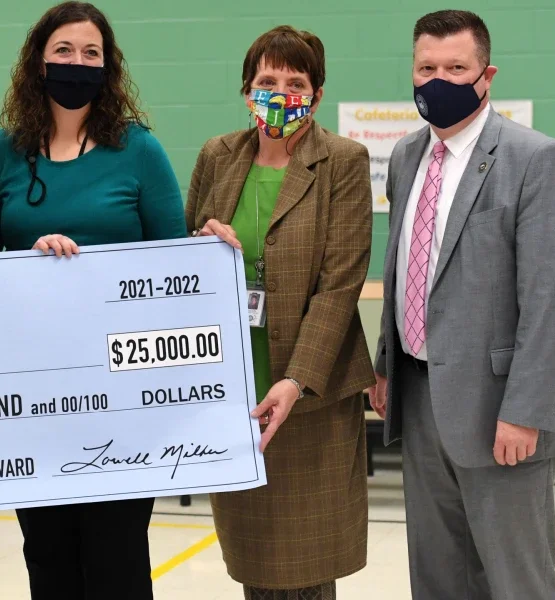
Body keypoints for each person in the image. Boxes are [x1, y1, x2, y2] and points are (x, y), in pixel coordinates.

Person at [0, 2, 237, 598]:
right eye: (64, 51)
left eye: (92, 53)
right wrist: (31, 265)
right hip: (31, 396)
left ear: (108, 67)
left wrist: (206, 248)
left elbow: (174, 264)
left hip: (123, 397)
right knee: (48, 556)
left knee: (117, 559)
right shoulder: (2, 153)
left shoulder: (138, 150)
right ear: (38, 60)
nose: (77, 63)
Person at [368, 10, 555, 599]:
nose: (439, 80)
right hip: (420, 396)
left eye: (456, 68)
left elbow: (551, 298)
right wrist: (386, 362)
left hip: (499, 408)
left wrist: (526, 410)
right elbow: (405, 263)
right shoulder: (406, 156)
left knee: (516, 580)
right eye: (426, 67)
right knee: (438, 577)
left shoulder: (535, 158)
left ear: (488, 75)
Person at [186, 26, 375, 600]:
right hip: (234, 393)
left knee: (306, 574)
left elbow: (340, 285)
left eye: (296, 82)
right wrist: (201, 239)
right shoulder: (218, 156)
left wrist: (294, 381)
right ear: (247, 90)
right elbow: (185, 261)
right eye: (267, 80)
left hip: (306, 396)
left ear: (316, 94)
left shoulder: (343, 160)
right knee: (255, 570)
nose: (280, 92)